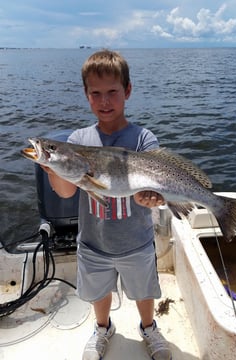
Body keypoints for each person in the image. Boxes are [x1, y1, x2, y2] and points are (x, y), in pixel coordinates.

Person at [43, 49, 172, 360]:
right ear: (87, 96)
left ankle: (148, 326)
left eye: (112, 92)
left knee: (143, 292)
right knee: (99, 293)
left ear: (127, 91)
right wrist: (53, 165)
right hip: (93, 242)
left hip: (137, 240)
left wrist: (153, 196)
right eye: (96, 93)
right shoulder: (79, 140)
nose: (104, 101)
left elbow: (154, 191)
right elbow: (63, 192)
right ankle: (103, 328)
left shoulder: (143, 139)